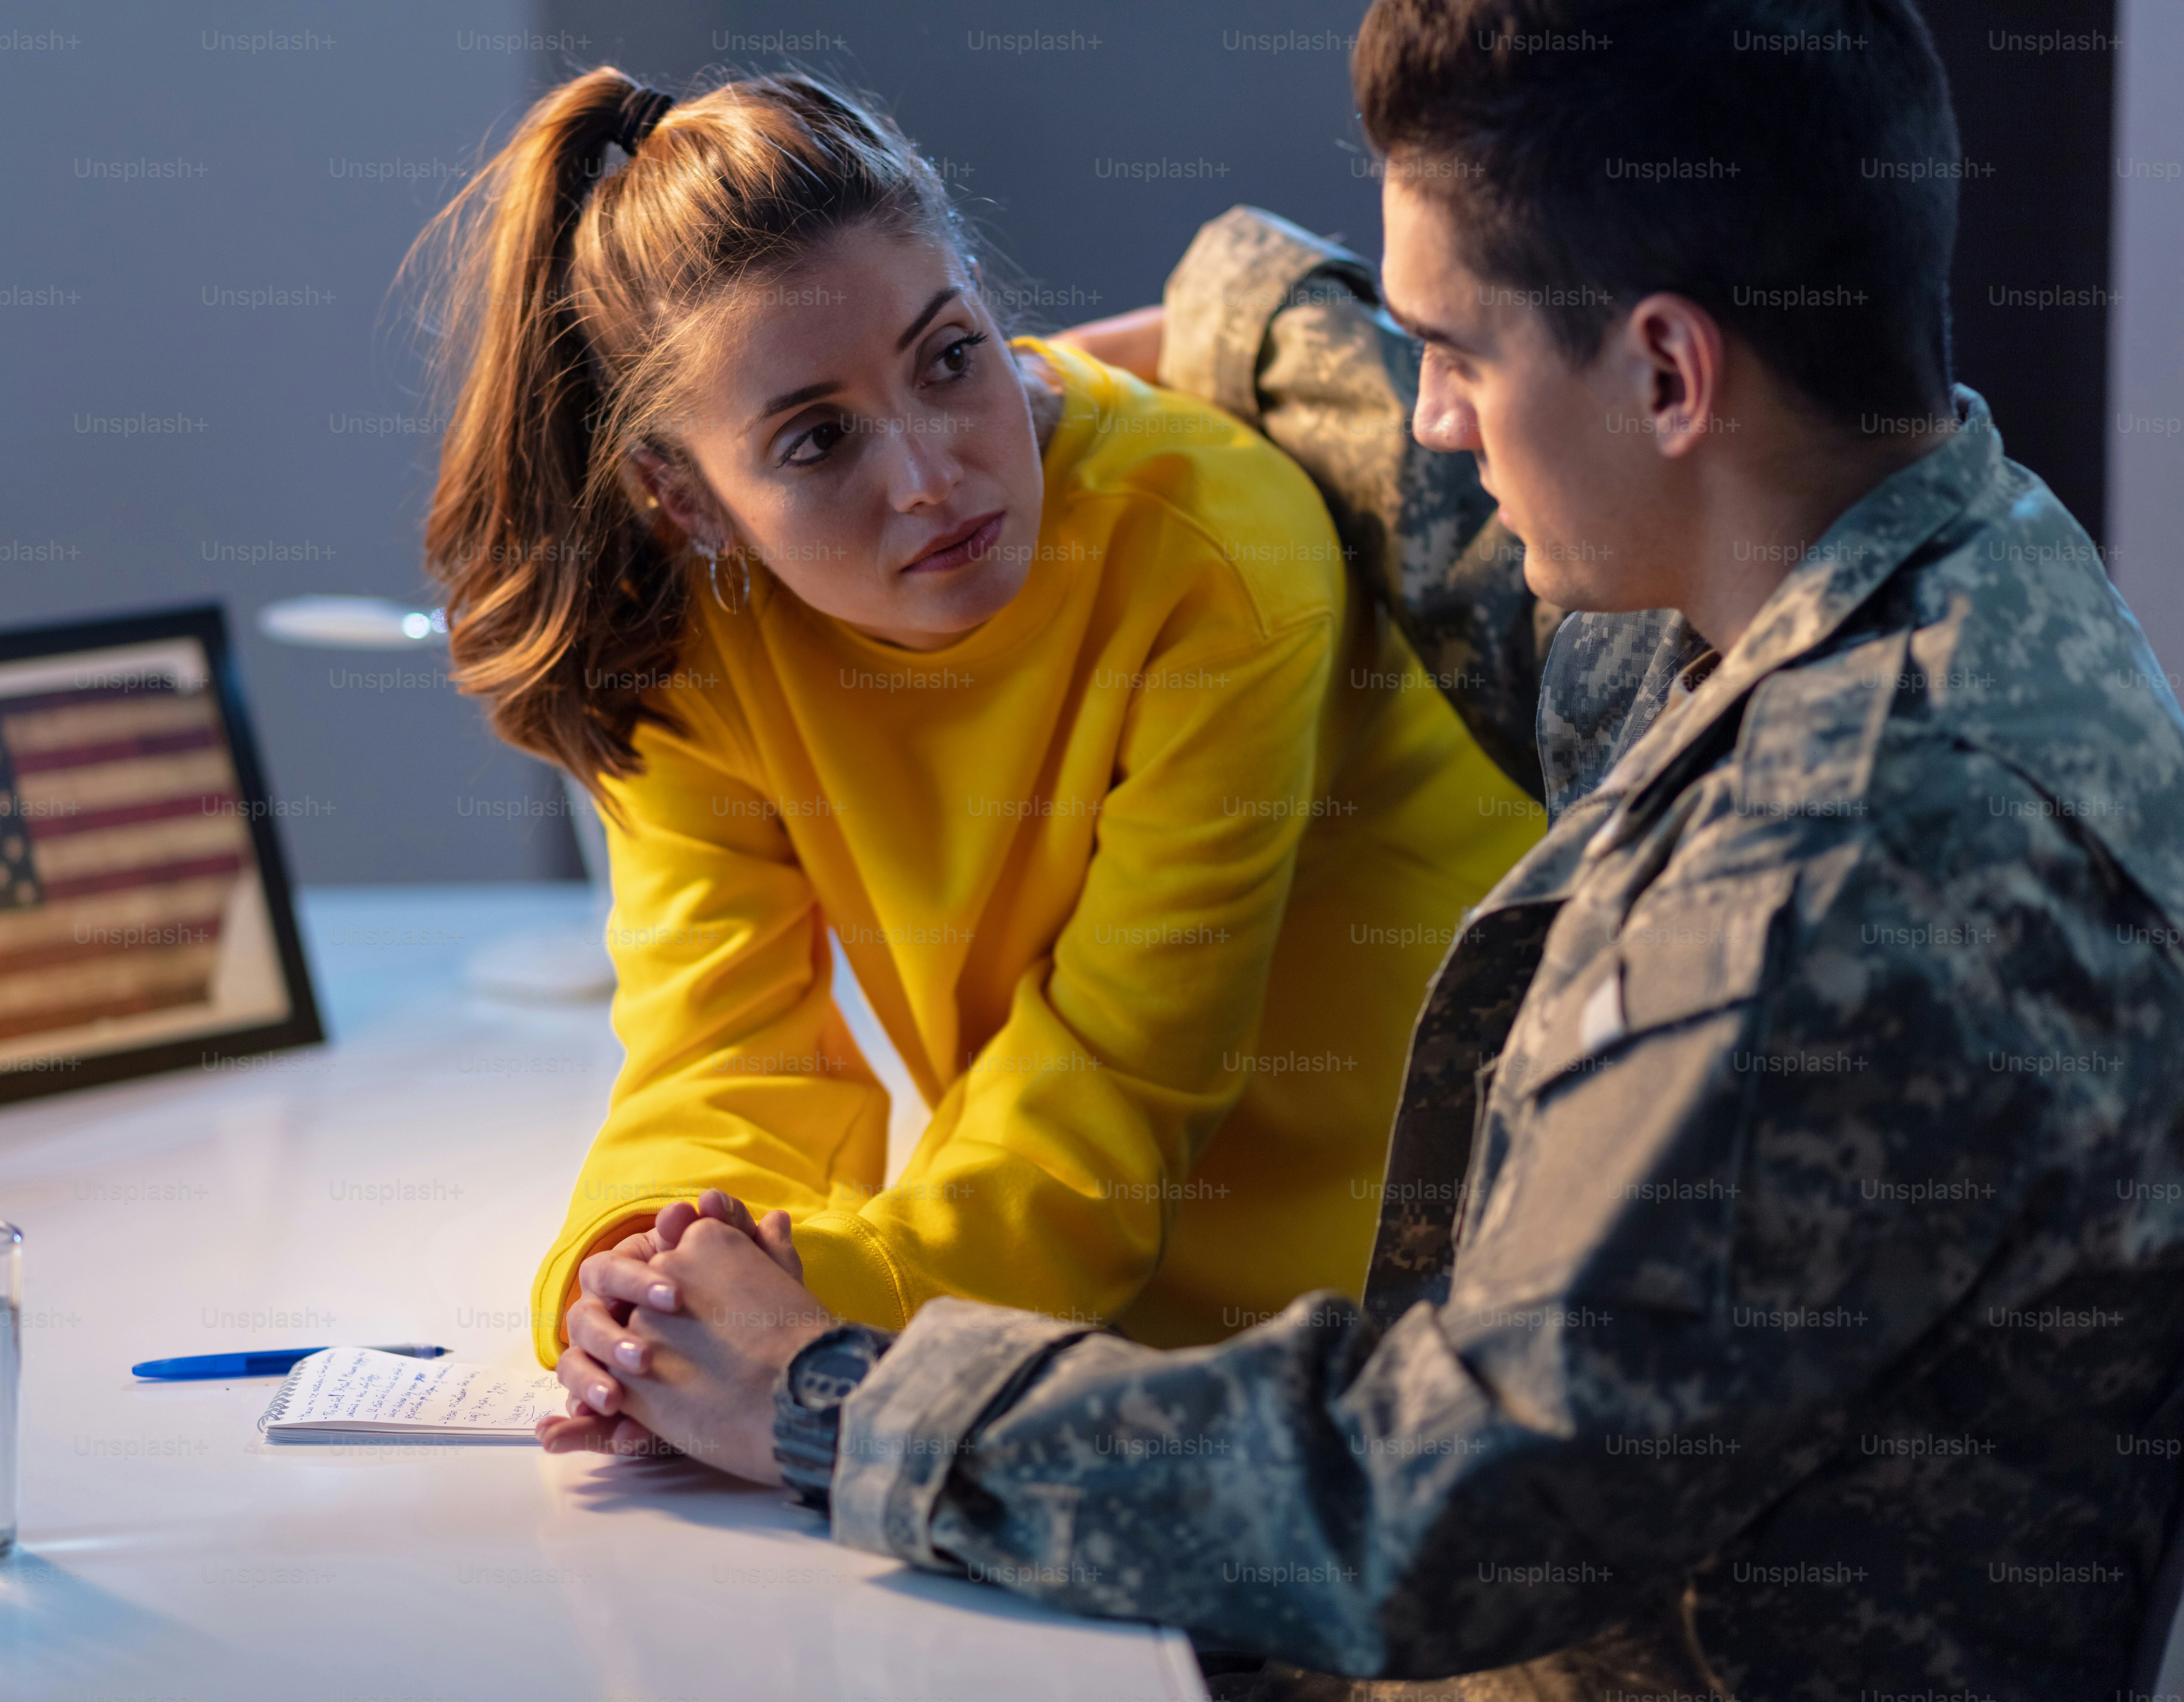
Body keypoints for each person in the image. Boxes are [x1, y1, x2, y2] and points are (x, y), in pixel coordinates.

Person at [531, 2, 2184, 1697]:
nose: (1441, 419)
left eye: (1457, 354)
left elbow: (1432, 1508)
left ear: (1671, 375)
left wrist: (832, 1398)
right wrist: (1063, 381)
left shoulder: (1838, 881)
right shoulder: (1890, 551)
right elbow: (1382, 435)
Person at [411, 68, 1542, 1372]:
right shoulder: (681, 641)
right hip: (1041, 1293)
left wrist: (799, 1318)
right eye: (816, 440)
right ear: (682, 500)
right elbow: (719, 1048)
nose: (927, 475)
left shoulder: (1212, 555)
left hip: (1397, 1286)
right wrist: (642, 1275)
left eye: (949, 359)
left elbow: (1109, 1095)